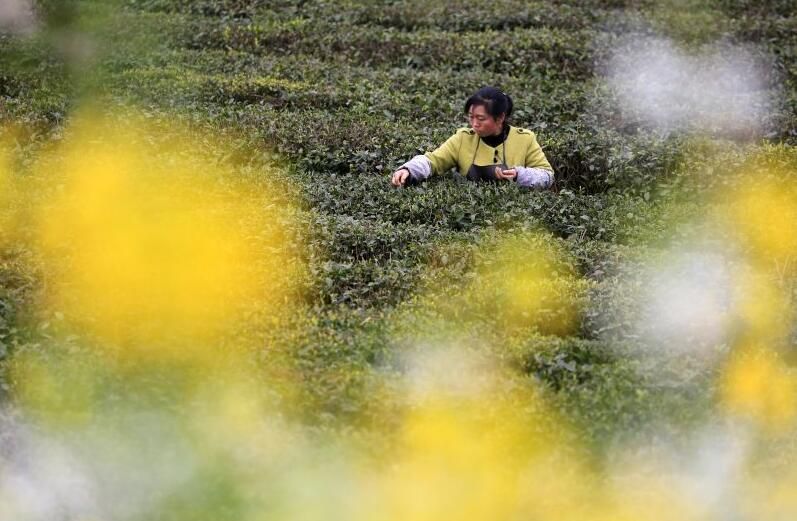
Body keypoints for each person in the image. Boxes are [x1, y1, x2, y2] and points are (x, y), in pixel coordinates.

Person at [391, 86, 554, 189]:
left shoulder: (525, 139)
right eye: (471, 117)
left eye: (481, 119)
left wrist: (520, 175)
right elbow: (433, 161)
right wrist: (408, 170)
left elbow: (547, 176)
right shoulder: (463, 138)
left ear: (500, 118)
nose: (474, 124)